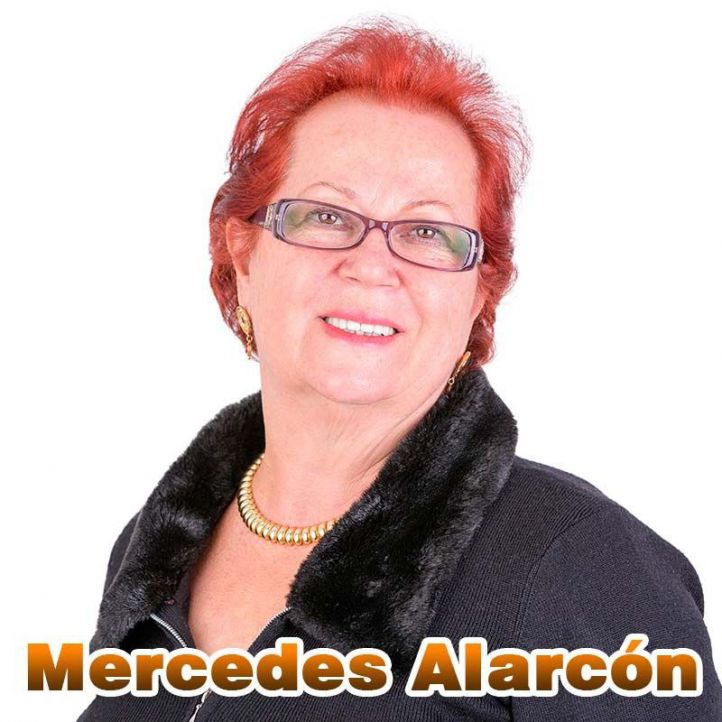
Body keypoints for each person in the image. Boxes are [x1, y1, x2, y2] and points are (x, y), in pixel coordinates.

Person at [78, 17, 722, 721]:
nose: (372, 266)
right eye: (326, 216)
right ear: (243, 253)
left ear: (478, 294)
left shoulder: (580, 564)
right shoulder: (156, 548)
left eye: (427, 232)